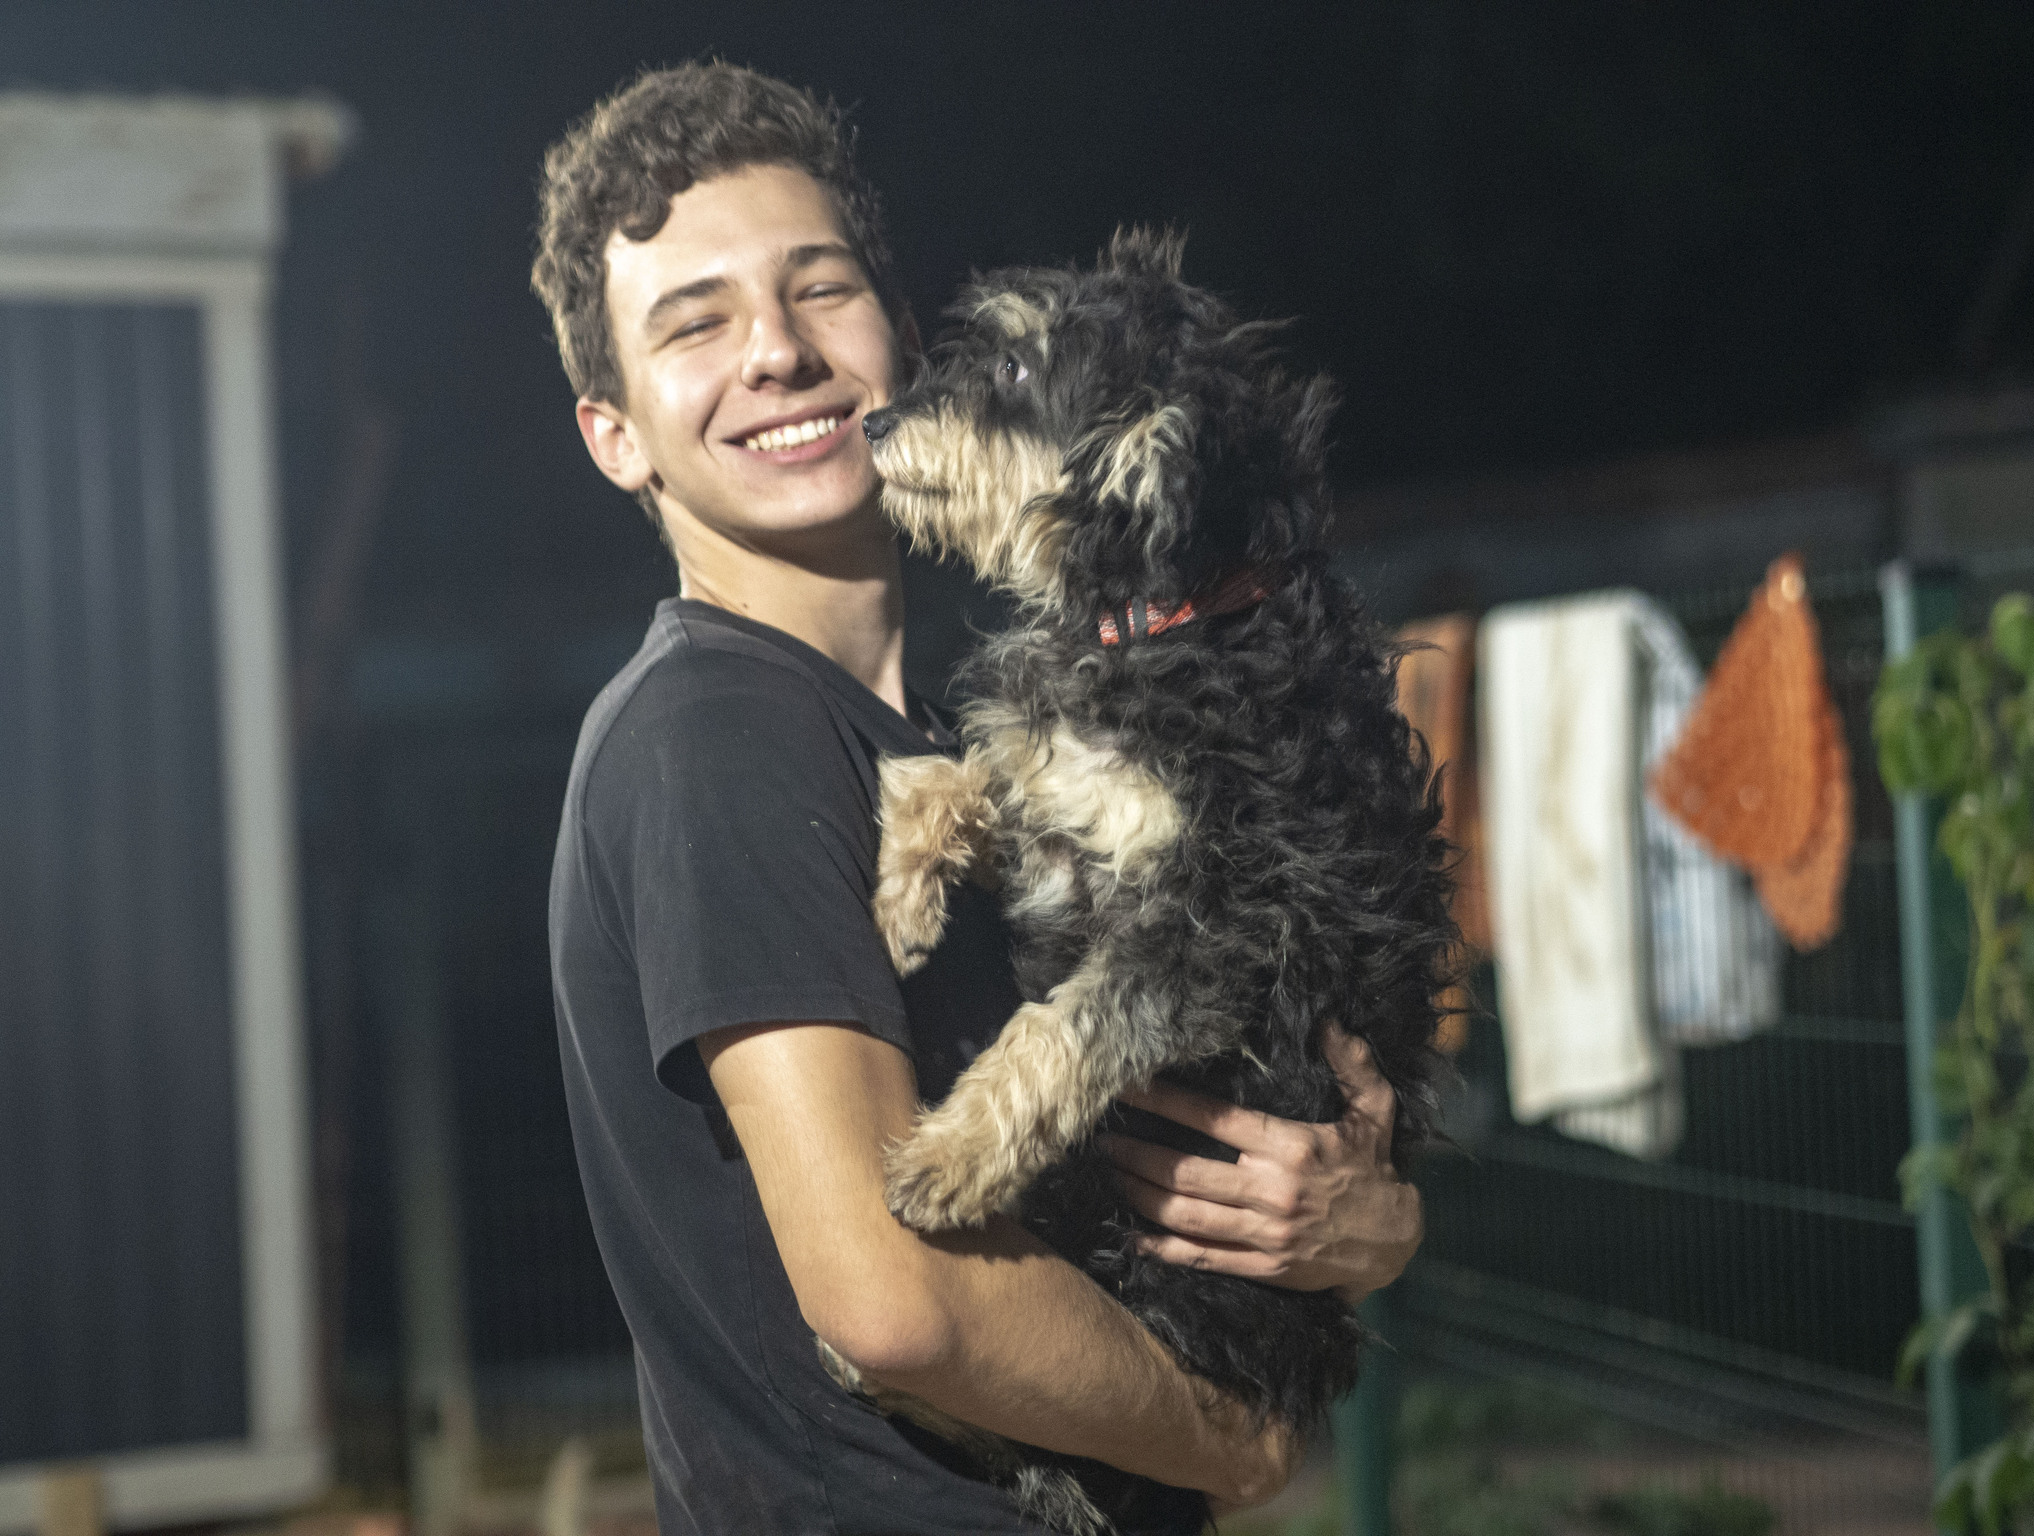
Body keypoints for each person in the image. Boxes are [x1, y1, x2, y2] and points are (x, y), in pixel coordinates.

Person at [535, 61, 1424, 1536]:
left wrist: (1366, 1223)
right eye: (694, 323)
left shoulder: (967, 721)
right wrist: (1235, 1437)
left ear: (893, 332)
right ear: (614, 431)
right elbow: (893, 1302)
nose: (777, 353)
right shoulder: (718, 732)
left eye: (817, 290)